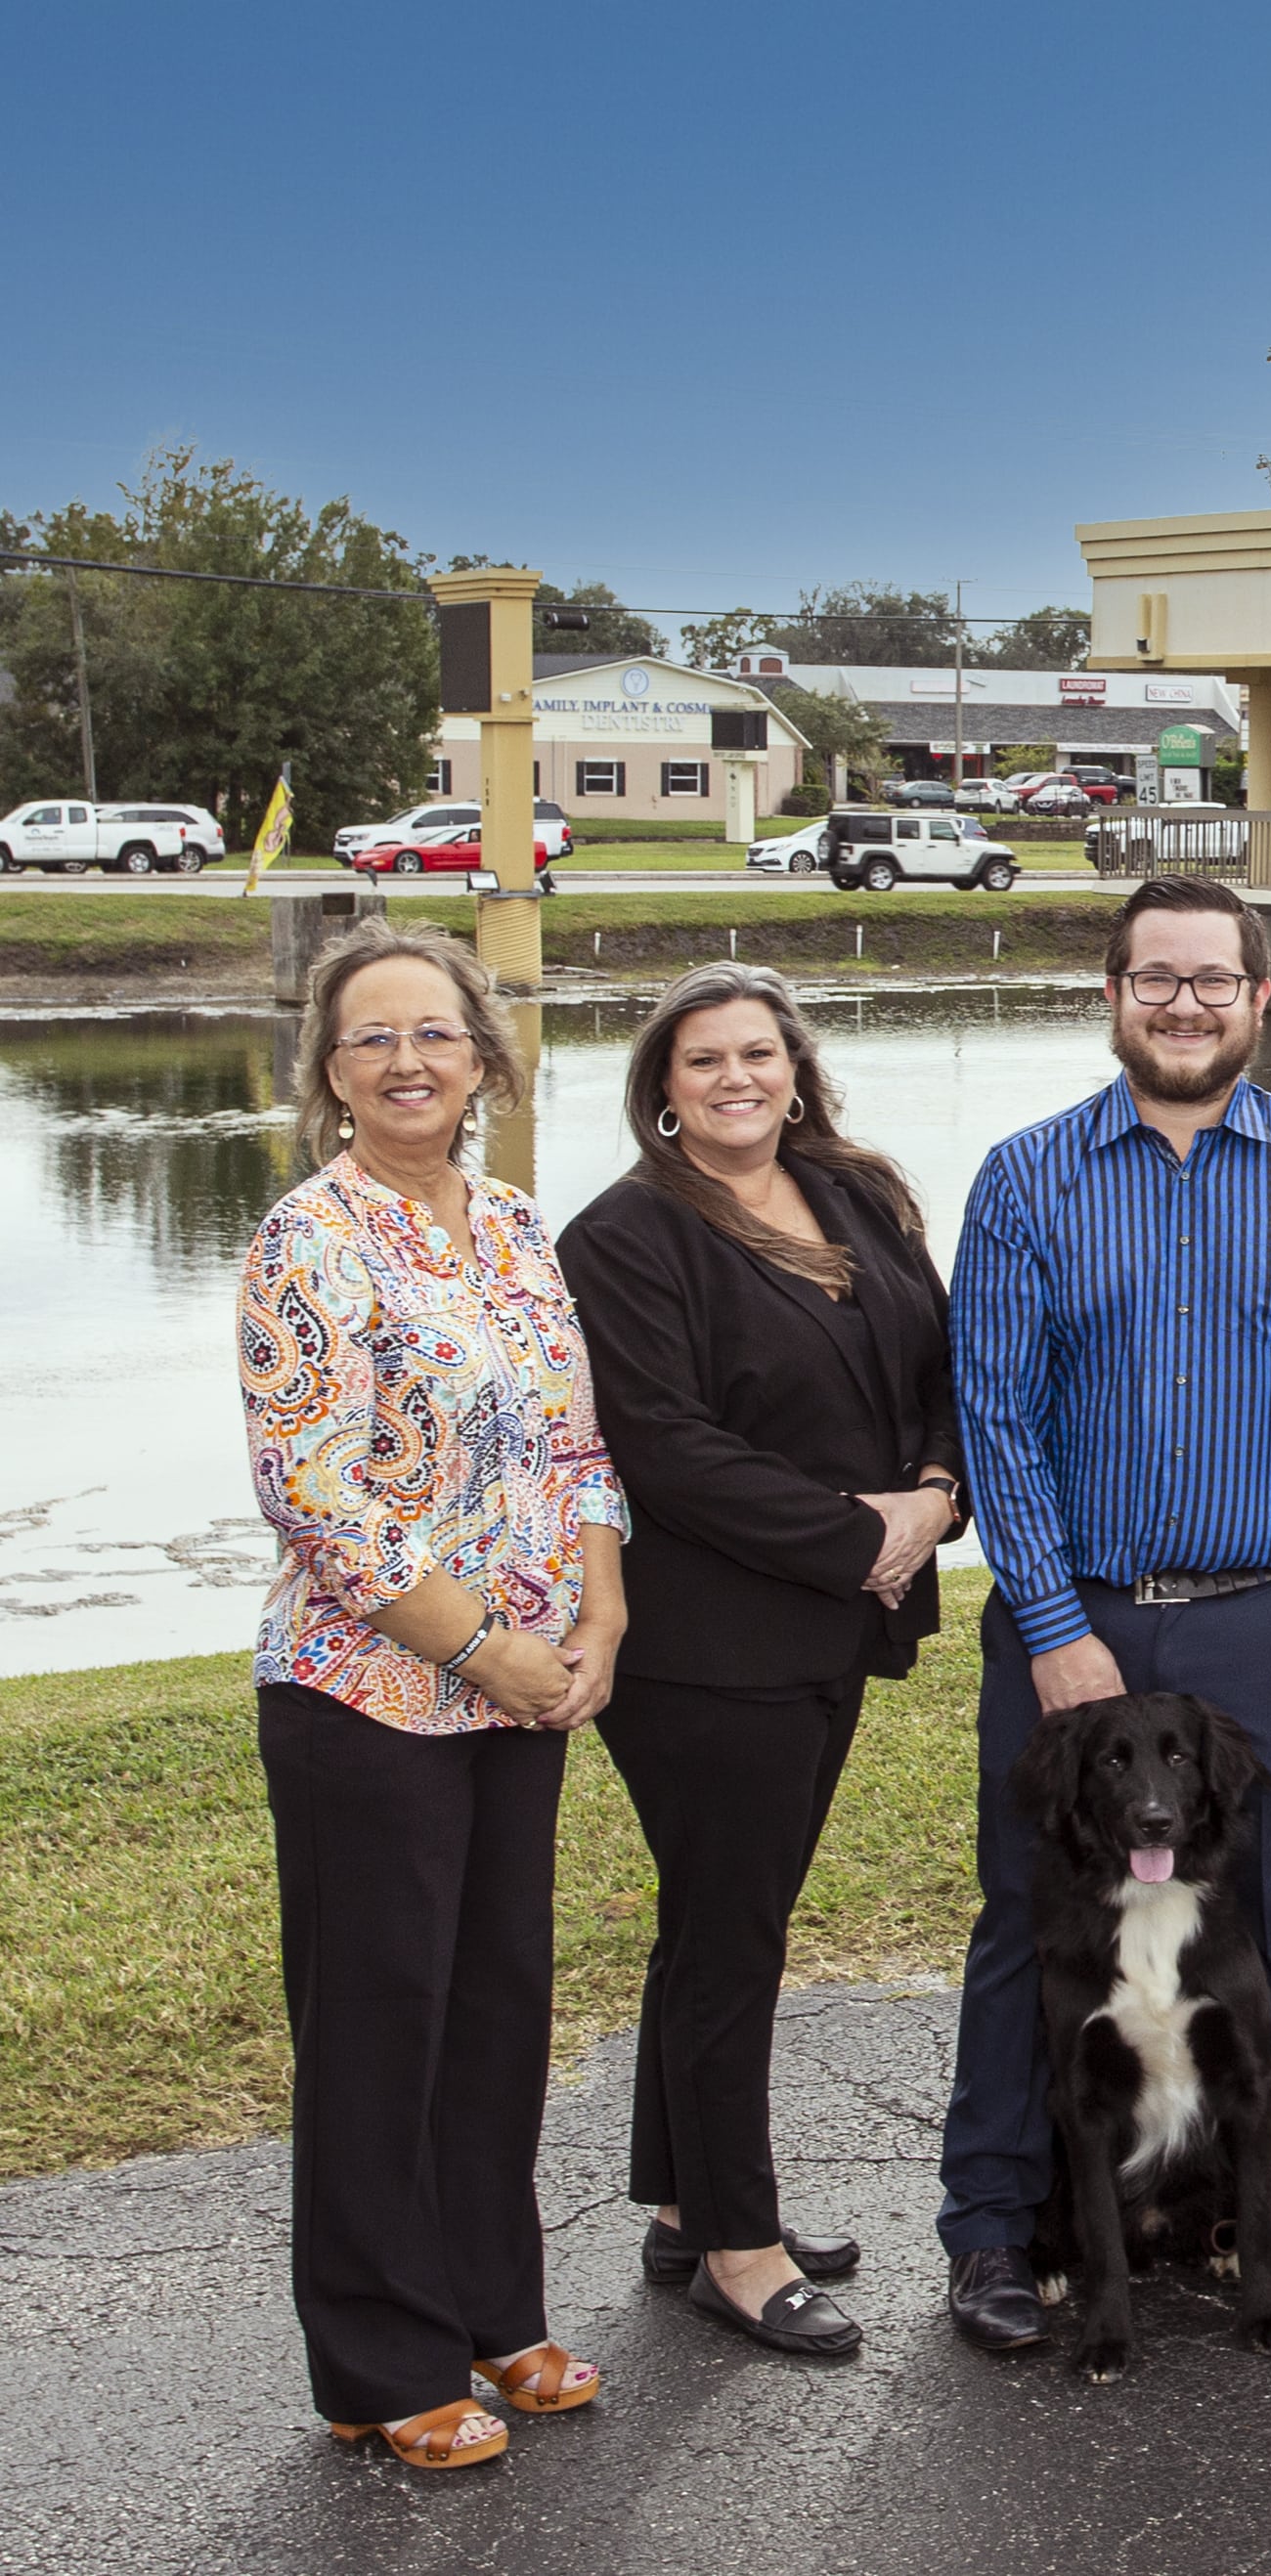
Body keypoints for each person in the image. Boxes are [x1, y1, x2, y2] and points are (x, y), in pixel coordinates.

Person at [938, 874, 1271, 2348]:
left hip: (1265, 1620)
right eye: (1155, 977)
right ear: (1111, 993)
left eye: (1213, 979)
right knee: (1029, 1922)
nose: (1184, 1002)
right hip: (1073, 1609)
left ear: (1259, 998)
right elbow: (998, 1416)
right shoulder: (1026, 1178)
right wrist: (1046, 1622)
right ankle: (992, 2223)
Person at [240, 922, 627, 2470]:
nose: (406, 1059)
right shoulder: (307, 1238)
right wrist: (489, 1644)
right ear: (328, 1071)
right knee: (378, 2026)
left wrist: (599, 1616)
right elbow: (319, 1495)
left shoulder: (522, 1226)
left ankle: (491, 2306)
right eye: (370, 1037)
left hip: (525, 1691)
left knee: (494, 2013)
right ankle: (381, 2357)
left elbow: (578, 1448)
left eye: (434, 1031)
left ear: (484, 1052)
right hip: (370, 1696)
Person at [558, 965, 963, 2359]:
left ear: (796, 1066)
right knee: (733, 1936)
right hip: (704, 1642)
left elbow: (934, 1359)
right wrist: (863, 1534)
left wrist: (930, 1485)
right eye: (703, 1060)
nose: (736, 1078)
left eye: (758, 1053)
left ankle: (683, 2203)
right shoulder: (623, 1237)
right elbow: (665, 1449)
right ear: (660, 1090)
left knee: (718, 1919)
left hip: (833, 1620)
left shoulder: (855, 1190)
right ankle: (741, 2243)